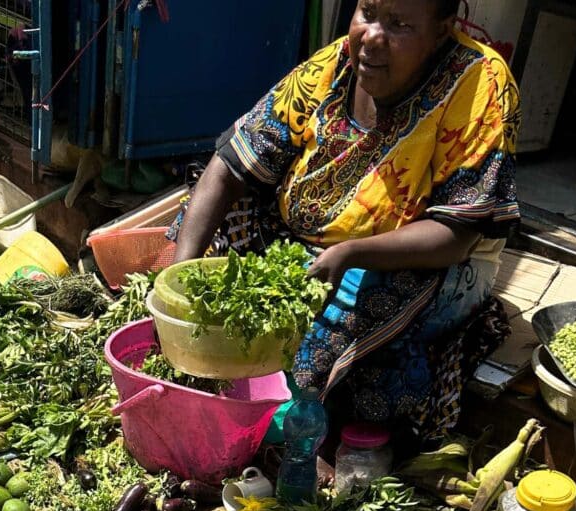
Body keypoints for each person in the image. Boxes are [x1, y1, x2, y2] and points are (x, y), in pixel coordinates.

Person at [172, 0, 520, 447]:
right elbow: (231, 165)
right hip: (309, 242)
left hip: (428, 262)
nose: (373, 37)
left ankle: (316, 419)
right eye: (368, 13)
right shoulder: (335, 63)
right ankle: (244, 374)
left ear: (441, 31)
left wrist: (350, 253)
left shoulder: (480, 82)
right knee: (214, 216)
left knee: (361, 297)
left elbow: (456, 235)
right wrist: (178, 273)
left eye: (399, 25)